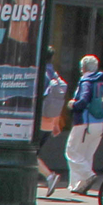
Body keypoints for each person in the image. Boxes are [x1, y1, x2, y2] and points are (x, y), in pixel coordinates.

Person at [65, 54, 103, 193]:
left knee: (71, 151)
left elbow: (83, 101)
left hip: (84, 122)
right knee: (86, 155)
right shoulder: (100, 81)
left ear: (83, 67)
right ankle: (80, 186)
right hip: (99, 122)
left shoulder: (86, 81)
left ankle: (87, 175)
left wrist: (73, 104)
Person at [36, 61, 69, 195]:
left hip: (38, 122)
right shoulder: (55, 76)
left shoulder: (41, 73)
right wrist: (55, 124)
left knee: (28, 154)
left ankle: (50, 176)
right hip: (48, 124)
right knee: (33, 154)